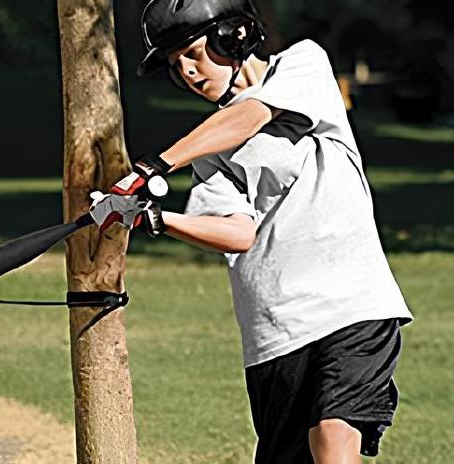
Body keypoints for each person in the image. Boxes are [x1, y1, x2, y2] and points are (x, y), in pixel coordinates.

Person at [91, 0, 414, 462]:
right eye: (173, 63)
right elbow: (238, 234)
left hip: (352, 305)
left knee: (333, 434)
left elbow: (251, 115)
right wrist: (152, 216)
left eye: (192, 52)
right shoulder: (209, 150)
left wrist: (155, 165)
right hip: (276, 331)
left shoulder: (303, 65)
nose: (185, 72)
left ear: (234, 36)